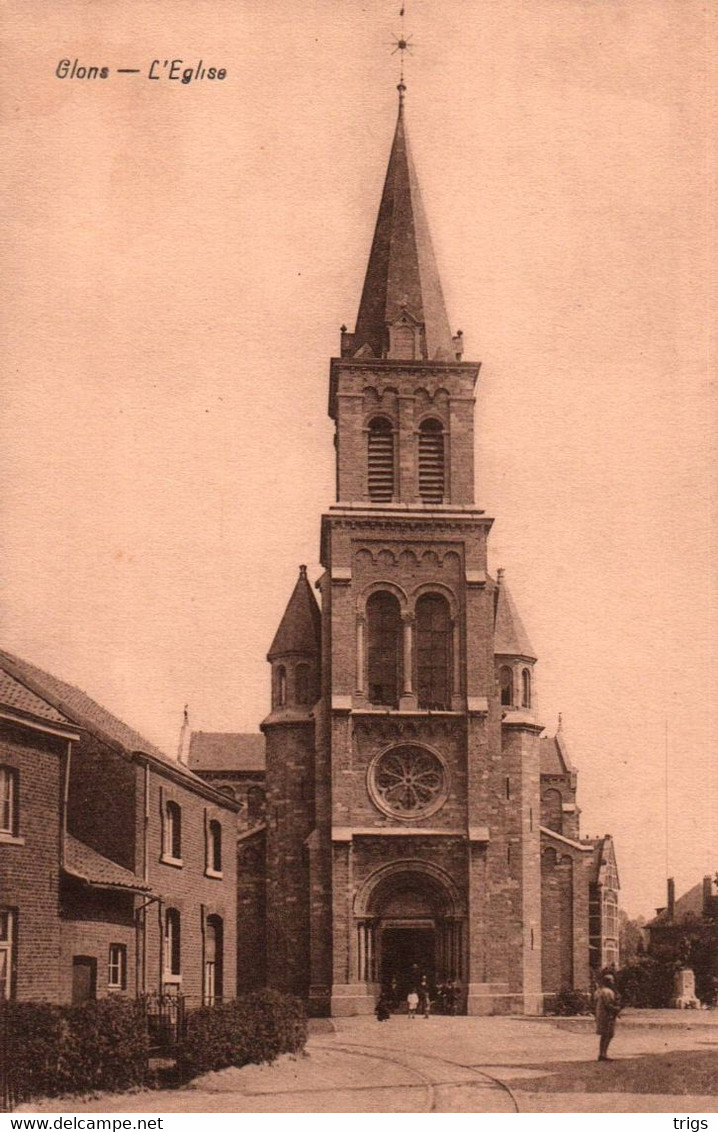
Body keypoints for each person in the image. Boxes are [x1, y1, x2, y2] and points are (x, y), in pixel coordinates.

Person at [594, 973, 621, 1061]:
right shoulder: (607, 992)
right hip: (607, 1015)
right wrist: (617, 1009)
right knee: (608, 1034)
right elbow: (608, 1004)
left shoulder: (600, 991)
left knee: (605, 1035)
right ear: (608, 982)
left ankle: (602, 1053)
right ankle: (603, 1054)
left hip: (601, 1014)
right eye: (612, 980)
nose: (613, 982)